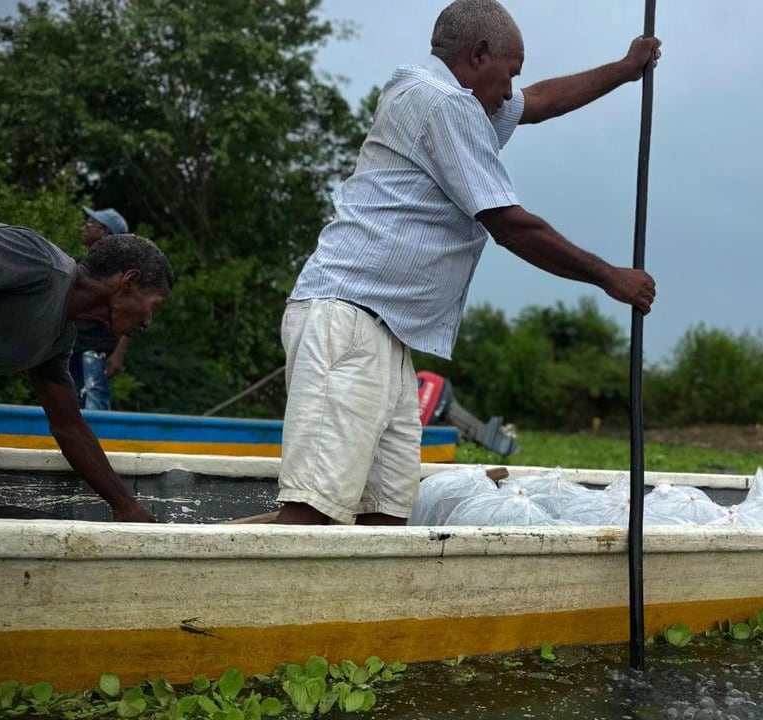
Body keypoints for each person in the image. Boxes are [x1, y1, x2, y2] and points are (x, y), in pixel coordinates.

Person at [277, 0, 660, 525]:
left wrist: (624, 70)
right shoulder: (442, 103)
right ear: (479, 55)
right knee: (313, 512)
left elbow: (539, 102)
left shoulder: (448, 96)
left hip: (385, 335)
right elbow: (511, 226)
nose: (510, 91)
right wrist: (610, 277)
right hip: (347, 323)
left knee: (385, 515)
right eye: (509, 73)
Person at [0, 217, 172, 521]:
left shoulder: (57, 340)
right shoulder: (35, 263)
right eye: (154, 306)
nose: (148, 322)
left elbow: (69, 427)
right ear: (128, 282)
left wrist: (125, 506)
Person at [70, 207, 133, 410]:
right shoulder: (83, 264)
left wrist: (119, 353)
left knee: (94, 404)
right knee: (72, 405)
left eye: (90, 223)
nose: (84, 227)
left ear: (104, 232)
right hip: (73, 345)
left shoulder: (118, 271)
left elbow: (131, 313)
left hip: (96, 350)